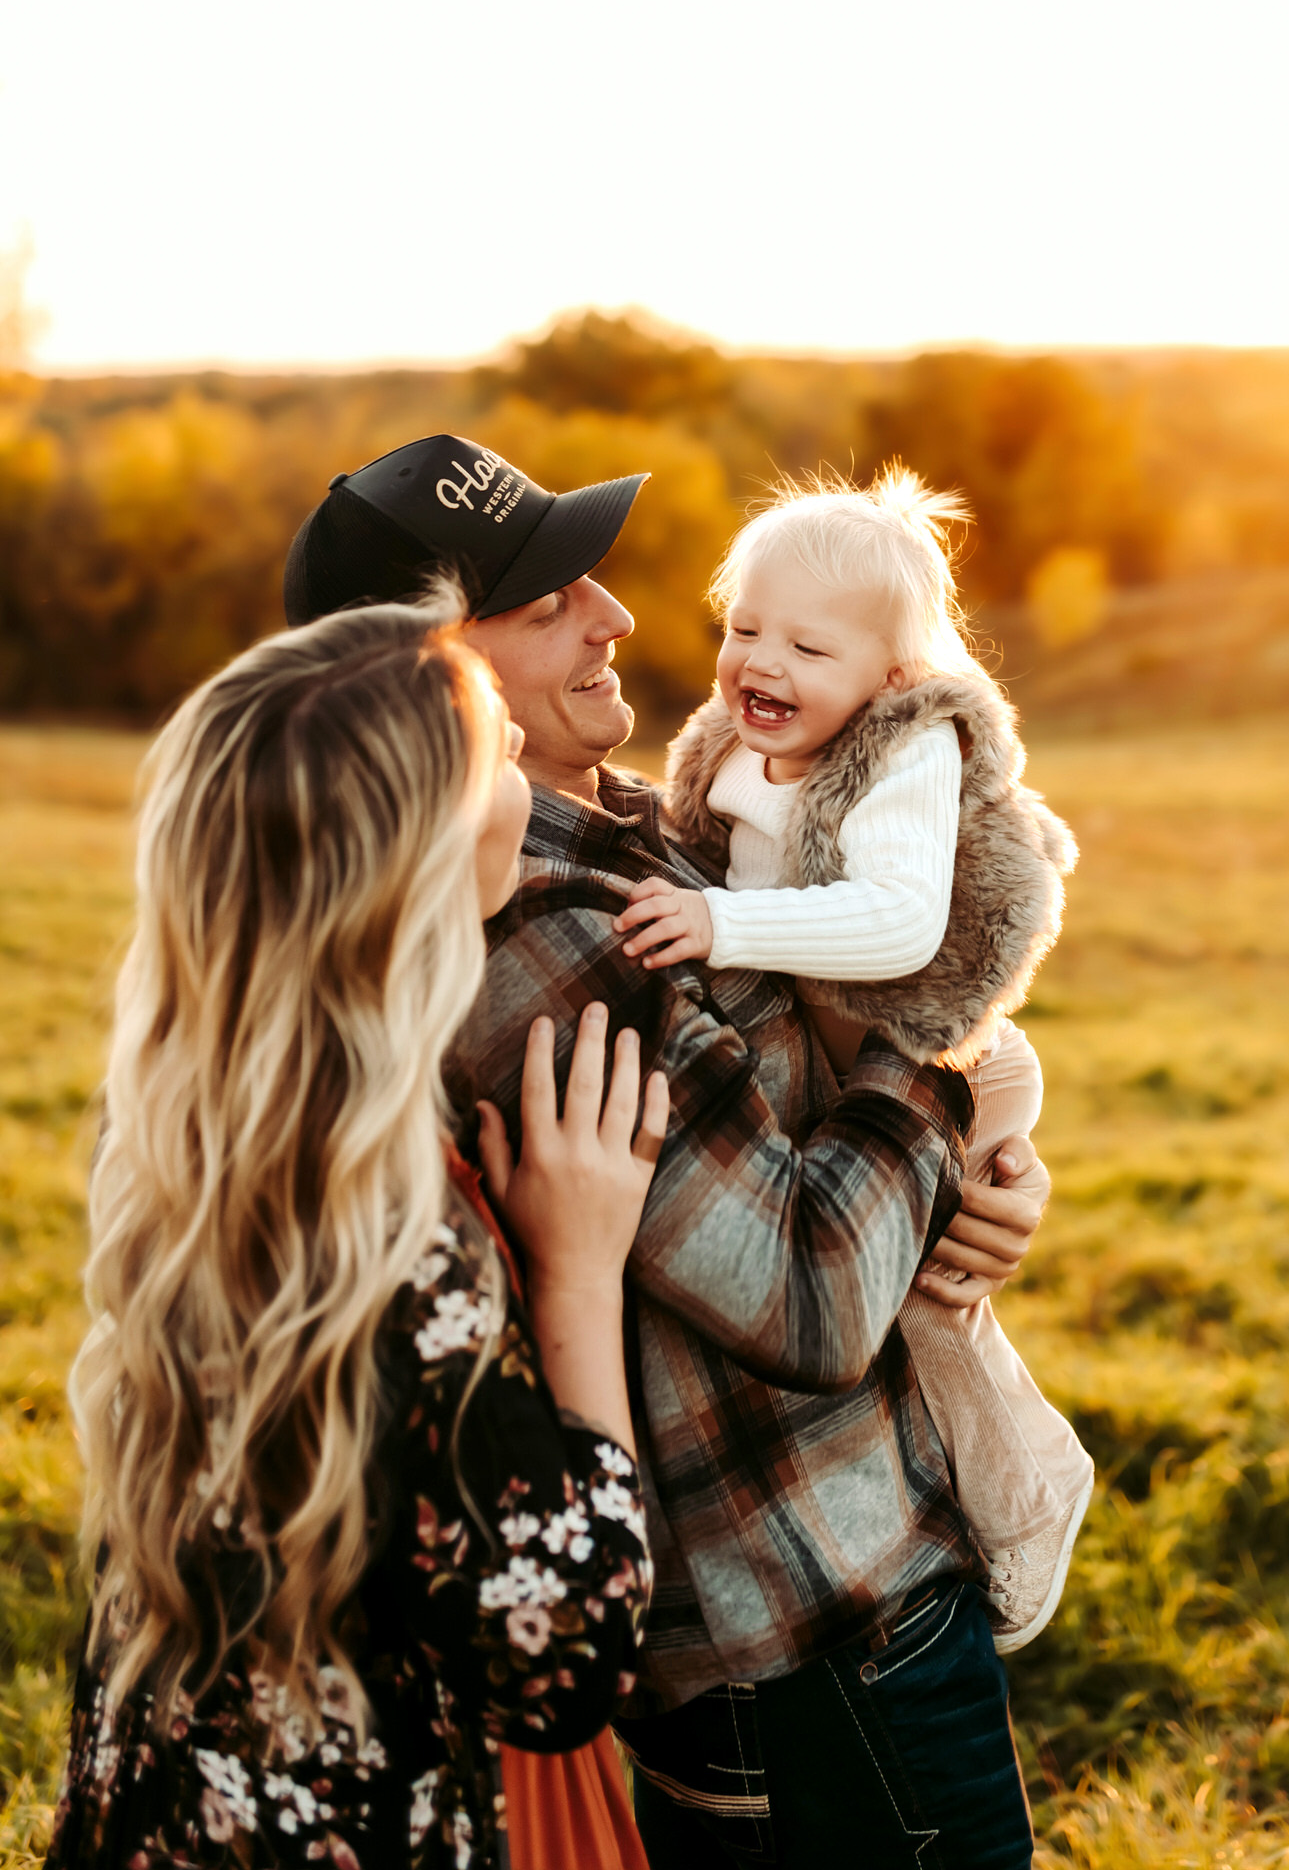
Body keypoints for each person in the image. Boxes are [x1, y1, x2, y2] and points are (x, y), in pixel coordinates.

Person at [283, 434, 1052, 1870]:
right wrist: (947, 1068)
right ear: (429, 678)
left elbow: (820, 1097)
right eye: (544, 602)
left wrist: (983, 1180)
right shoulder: (541, 935)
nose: (617, 615)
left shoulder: (646, 826)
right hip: (812, 1645)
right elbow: (812, 1294)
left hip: (832, 1626)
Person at [48, 592, 664, 1868]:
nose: (522, 777)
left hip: (171, 1797)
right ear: (420, 858)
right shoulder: (397, 1223)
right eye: (495, 750)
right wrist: (582, 1275)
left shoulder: (182, 1126)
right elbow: (562, 1657)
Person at [615, 467, 1095, 1654]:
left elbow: (898, 922)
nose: (760, 664)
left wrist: (726, 929)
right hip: (838, 1057)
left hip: (959, 1058)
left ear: (890, 676)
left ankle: (1030, 1493)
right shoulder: (733, 744)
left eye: (806, 648)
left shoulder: (905, 749)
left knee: (933, 1303)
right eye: (742, 629)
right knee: (898, 1287)